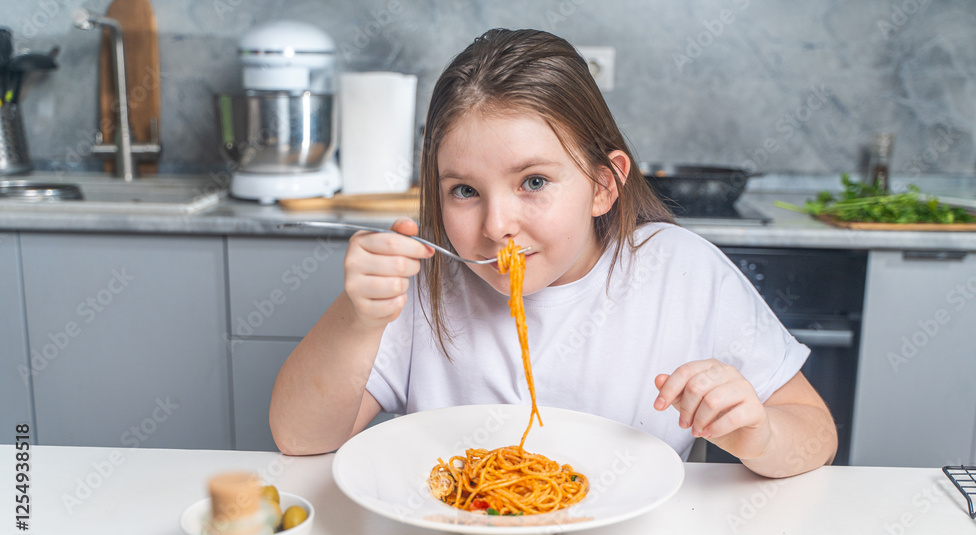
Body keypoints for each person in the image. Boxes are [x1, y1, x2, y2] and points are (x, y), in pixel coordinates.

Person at [269, 28, 836, 478]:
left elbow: (816, 433)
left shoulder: (681, 272)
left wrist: (758, 435)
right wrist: (358, 316)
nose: (497, 226)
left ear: (602, 185)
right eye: (463, 190)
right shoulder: (425, 282)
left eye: (534, 182)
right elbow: (300, 438)